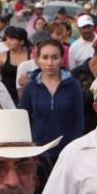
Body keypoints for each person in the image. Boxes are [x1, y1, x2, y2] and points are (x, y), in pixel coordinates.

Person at [18, 38, 84, 169]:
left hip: (67, 152)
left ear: (62, 59)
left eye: (55, 57)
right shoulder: (30, 87)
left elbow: (79, 120)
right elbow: (23, 119)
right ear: (37, 60)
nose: (50, 63)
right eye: (45, 57)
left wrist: (74, 146)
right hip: (38, 152)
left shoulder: (73, 85)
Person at [0, 25, 29, 102]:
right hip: (6, 98)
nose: (8, 41)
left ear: (21, 42)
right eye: (8, 39)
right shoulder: (2, 56)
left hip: (26, 98)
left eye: (12, 39)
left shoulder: (31, 57)